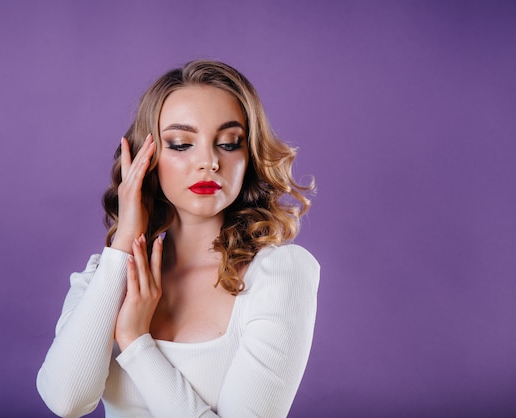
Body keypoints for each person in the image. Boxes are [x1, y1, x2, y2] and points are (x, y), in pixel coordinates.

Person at [36, 60, 320, 418]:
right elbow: (67, 400)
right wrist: (124, 242)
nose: (209, 161)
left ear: (249, 156)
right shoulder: (106, 274)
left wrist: (138, 345)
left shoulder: (279, 274)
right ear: (146, 158)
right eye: (182, 144)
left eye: (230, 143)